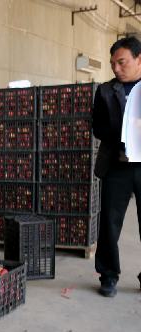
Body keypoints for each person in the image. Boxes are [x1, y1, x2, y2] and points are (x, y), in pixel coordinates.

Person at [93, 36, 141, 297]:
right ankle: (108, 275)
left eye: (121, 62)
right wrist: (125, 134)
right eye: (113, 64)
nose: (116, 69)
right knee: (110, 222)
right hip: (117, 165)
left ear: (138, 59)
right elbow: (97, 126)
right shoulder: (105, 91)